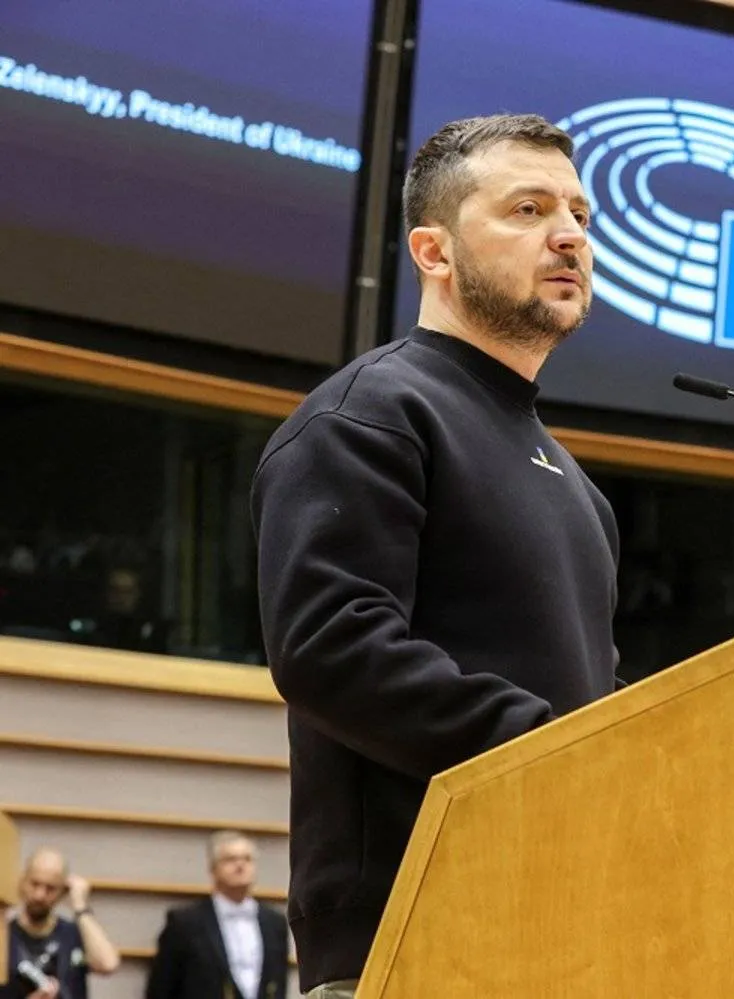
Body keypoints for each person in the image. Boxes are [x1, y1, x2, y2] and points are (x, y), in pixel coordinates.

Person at [251, 113, 621, 999]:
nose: (569, 235)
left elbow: (593, 696)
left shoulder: (580, 488)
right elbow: (333, 649)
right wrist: (555, 749)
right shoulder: (371, 415)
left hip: (564, 932)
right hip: (407, 938)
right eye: (529, 209)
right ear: (434, 251)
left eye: (579, 214)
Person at [145, 831, 290, 999]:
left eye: (247, 859)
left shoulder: (275, 923)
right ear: (213, 869)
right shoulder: (184, 923)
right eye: (230, 859)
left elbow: (279, 983)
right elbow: (160, 988)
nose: (240, 865)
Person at [2, 849, 120, 999]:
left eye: (50, 888)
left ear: (63, 891)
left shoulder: (73, 934)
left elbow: (108, 964)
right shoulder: (4, 935)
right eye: (34, 884)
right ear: (22, 883)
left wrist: (80, 906)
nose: (40, 895)